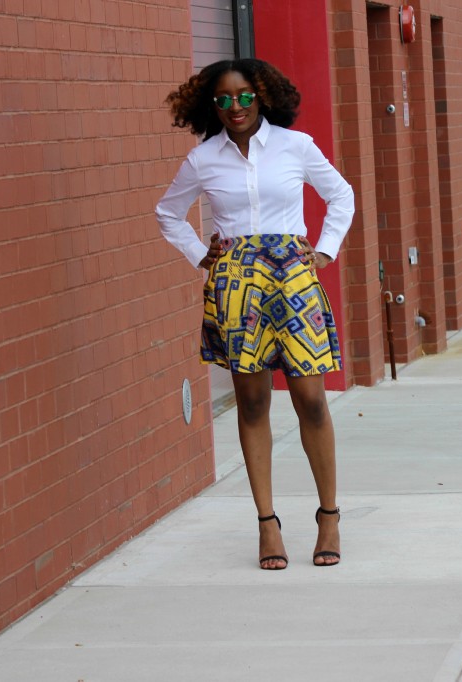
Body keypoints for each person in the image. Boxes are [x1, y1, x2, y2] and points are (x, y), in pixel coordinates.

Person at [156, 58, 354, 570]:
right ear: (211, 105)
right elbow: (167, 213)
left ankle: (328, 515)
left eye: (244, 96)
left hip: (293, 278)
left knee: (310, 396)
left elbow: (340, 196)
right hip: (237, 284)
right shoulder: (203, 160)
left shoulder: (296, 146)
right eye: (223, 99)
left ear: (262, 96)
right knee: (251, 401)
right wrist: (202, 255)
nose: (235, 106)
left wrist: (326, 250)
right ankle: (267, 524)